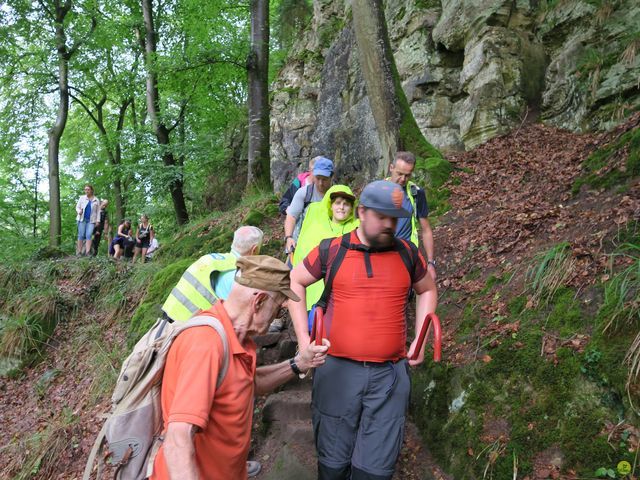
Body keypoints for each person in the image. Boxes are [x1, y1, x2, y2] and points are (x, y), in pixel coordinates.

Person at [289, 180, 438, 480]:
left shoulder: (407, 252)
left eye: (393, 218)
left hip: (389, 377)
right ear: (361, 213)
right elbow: (295, 281)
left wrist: (420, 339)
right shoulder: (332, 250)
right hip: (336, 373)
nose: (389, 225)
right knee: (332, 467)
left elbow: (427, 289)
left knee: (375, 471)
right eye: (381, 217)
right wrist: (304, 341)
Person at [149, 255, 330, 480]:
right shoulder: (206, 344)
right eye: (277, 308)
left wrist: (300, 363)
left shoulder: (239, 339)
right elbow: (179, 437)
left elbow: (249, 382)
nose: (277, 315)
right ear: (259, 301)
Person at [161, 226, 263, 323]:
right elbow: (237, 318)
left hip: (168, 314)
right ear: (254, 249)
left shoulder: (210, 258)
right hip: (188, 326)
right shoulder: (237, 275)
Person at [292, 184, 359, 315]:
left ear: (351, 208)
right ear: (331, 205)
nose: (341, 207)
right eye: (338, 203)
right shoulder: (315, 227)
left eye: (346, 204)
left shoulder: (357, 228)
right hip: (315, 292)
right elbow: (303, 256)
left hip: (345, 293)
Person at [388, 151, 437, 280]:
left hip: (407, 254)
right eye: (399, 174)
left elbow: (426, 229)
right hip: (381, 255)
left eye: (407, 175)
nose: (403, 179)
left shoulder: (416, 193)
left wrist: (431, 263)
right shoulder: (376, 191)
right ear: (391, 168)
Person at [284, 156, 334, 263]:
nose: (320, 183)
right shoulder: (304, 193)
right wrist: (289, 238)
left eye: (324, 179)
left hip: (328, 247)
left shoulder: (337, 195)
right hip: (301, 244)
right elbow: (291, 216)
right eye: (318, 178)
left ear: (331, 177)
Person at [75, 184, 100, 256]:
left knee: (89, 235)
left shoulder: (96, 200)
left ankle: (88, 252)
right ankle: (79, 252)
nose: (86, 191)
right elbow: (77, 207)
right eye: (85, 189)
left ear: (91, 190)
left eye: (88, 189)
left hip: (91, 221)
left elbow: (98, 211)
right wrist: (79, 211)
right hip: (82, 219)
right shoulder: (82, 198)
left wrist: (98, 220)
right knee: (81, 235)